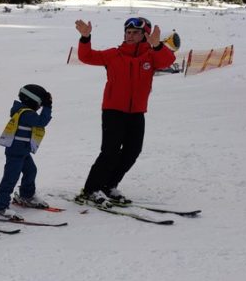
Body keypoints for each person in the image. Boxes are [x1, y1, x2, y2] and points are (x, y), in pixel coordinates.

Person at [74, 17, 176, 206]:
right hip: (113, 110)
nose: (130, 35)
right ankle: (90, 190)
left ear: (145, 35)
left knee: (132, 151)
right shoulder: (114, 54)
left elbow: (167, 61)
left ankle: (109, 185)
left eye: (135, 32)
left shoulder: (150, 56)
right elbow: (86, 57)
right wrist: (85, 38)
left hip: (137, 112)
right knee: (109, 152)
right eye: (128, 32)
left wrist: (158, 45)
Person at [0, 85, 53, 221]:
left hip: (22, 150)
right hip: (16, 152)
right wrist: (48, 106)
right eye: (40, 103)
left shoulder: (23, 110)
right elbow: (41, 122)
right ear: (32, 101)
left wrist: (46, 104)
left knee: (31, 171)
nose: (40, 106)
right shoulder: (26, 113)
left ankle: (26, 196)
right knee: (10, 179)